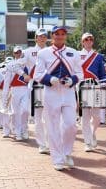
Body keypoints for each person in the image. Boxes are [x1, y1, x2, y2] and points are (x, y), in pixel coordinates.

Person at [33, 26, 83, 171]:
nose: (60, 36)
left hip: (68, 92)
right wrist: (50, 79)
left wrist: (72, 80)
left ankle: (67, 153)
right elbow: (37, 74)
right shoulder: (43, 53)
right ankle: (58, 159)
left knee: (70, 125)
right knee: (52, 125)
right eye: (57, 34)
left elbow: (80, 74)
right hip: (51, 92)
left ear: (65, 36)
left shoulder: (73, 53)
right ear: (52, 36)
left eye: (62, 34)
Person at [13, 28, 50, 153]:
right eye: (40, 36)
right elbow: (16, 65)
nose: (42, 38)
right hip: (36, 86)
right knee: (39, 117)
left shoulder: (51, 51)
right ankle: (42, 144)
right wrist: (24, 75)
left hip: (50, 86)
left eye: (44, 36)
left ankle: (50, 142)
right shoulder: (29, 51)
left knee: (51, 115)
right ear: (36, 38)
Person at [78, 32, 106, 152]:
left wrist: (103, 84)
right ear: (82, 42)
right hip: (83, 84)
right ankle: (88, 142)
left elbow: (102, 73)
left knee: (97, 116)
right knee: (85, 115)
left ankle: (92, 132)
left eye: (91, 39)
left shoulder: (98, 56)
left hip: (96, 85)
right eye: (86, 39)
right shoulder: (77, 55)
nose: (88, 41)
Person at [3, 46, 30, 141]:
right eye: (16, 52)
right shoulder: (10, 65)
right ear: (14, 54)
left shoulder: (27, 63)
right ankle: (18, 132)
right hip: (14, 90)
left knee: (25, 110)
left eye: (20, 52)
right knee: (16, 112)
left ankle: (24, 129)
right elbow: (6, 82)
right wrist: (5, 95)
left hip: (26, 89)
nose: (18, 54)